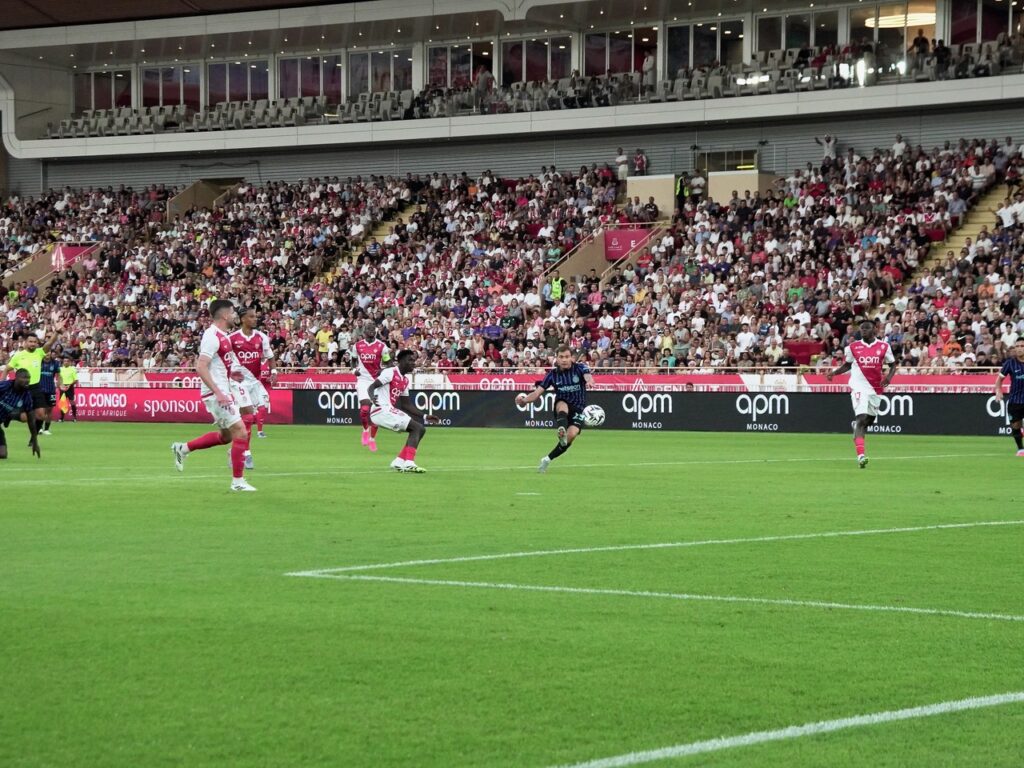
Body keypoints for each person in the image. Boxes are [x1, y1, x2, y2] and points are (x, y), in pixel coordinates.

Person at [171, 299, 256, 492]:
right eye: (233, 313)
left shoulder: (222, 335)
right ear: (225, 315)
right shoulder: (211, 336)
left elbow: (215, 365)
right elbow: (200, 366)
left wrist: (230, 375)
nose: (235, 316)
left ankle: (182, 448)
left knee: (226, 437)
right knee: (241, 432)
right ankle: (238, 482)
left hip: (220, 391)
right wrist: (218, 392)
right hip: (216, 394)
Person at [826, 320, 897, 468]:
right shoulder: (853, 347)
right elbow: (847, 364)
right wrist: (834, 372)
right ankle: (861, 456)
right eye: (862, 329)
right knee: (861, 418)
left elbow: (892, 365)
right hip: (858, 387)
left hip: (875, 389)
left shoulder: (884, 346)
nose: (864, 330)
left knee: (869, 421)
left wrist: (888, 378)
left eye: (867, 328)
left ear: (875, 330)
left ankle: (858, 428)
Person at [516, 345, 596, 473]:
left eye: (567, 357)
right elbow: (537, 393)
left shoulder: (580, 368)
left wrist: (590, 381)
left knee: (571, 437)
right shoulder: (552, 375)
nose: (564, 360)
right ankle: (561, 429)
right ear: (557, 359)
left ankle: (547, 459)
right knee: (562, 405)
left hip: (579, 409)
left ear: (572, 358)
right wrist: (524, 401)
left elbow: (588, 377)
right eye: (561, 357)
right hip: (562, 404)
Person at [367, 349, 438, 473]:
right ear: (401, 361)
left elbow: (406, 405)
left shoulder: (405, 381)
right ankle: (409, 462)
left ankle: (399, 461)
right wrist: (372, 397)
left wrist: (425, 416)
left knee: (420, 429)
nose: (413, 363)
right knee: (417, 428)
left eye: (414, 361)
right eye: (410, 360)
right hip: (380, 410)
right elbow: (372, 386)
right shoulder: (390, 372)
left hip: (387, 410)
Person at [2, 324, 64, 425]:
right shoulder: (18, 356)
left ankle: (33, 439)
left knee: (41, 415)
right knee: (24, 418)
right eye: (30, 341)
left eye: (35, 342)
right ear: (25, 342)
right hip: (22, 389)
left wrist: (56, 332)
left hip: (35, 387)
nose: (33, 344)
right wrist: (3, 384)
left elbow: (49, 343)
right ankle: (10, 415)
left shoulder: (39, 353)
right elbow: (6, 370)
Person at [230, 307, 274, 442]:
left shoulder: (262, 337)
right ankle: (243, 450)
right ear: (243, 319)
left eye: (255, 316)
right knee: (248, 416)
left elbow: (270, 356)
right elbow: (219, 358)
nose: (255, 319)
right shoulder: (231, 338)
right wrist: (228, 374)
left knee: (261, 408)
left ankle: (238, 445)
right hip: (239, 382)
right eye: (252, 316)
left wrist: (274, 371)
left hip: (255, 381)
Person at [354, 322, 392, 452]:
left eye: (373, 329)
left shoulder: (382, 346)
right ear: (364, 332)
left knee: (376, 413)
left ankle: (372, 439)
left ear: (375, 331)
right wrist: (355, 369)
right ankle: (365, 429)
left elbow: (389, 363)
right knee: (364, 410)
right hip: (363, 380)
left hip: (377, 382)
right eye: (368, 329)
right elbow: (353, 360)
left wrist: (382, 370)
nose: (371, 331)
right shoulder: (358, 346)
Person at [0, 368, 41, 460]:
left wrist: (35, 442)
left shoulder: (26, 396)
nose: (27, 380)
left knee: (2, 454)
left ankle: (10, 416)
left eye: (29, 378)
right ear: (16, 378)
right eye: (24, 377)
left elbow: (31, 420)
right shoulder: (4, 386)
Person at [993, 338, 1024, 456]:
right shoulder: (1010, 363)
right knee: (1016, 426)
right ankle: (1020, 449)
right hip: (1015, 400)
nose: (1019, 348)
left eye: (1022, 346)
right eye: (1017, 346)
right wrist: (998, 390)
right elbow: (1000, 379)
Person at [38, 350, 61, 435]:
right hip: (40, 390)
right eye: (45, 352)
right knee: (41, 410)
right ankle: (39, 428)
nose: (47, 354)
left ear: (51, 353)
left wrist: (59, 385)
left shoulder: (55, 363)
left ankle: (46, 429)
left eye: (49, 352)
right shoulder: (39, 362)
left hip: (51, 389)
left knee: (50, 409)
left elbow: (58, 376)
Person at [58, 355, 78, 422]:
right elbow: (59, 378)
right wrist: (61, 385)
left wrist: (69, 385)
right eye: (64, 361)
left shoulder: (72, 369)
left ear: (69, 362)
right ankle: (61, 418)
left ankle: (74, 418)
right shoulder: (60, 369)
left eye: (67, 361)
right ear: (63, 362)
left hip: (70, 387)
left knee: (72, 402)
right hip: (62, 387)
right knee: (62, 403)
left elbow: (76, 380)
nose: (66, 362)